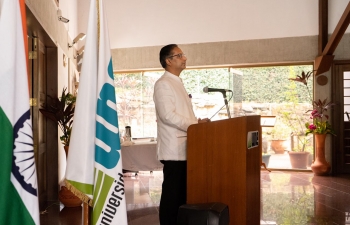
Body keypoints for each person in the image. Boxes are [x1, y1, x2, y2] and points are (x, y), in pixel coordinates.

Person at [153, 44, 210, 225]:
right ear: (168, 61)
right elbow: (167, 115)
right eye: (179, 55)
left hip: (186, 148)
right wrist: (195, 125)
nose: (184, 58)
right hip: (174, 150)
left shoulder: (177, 82)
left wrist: (197, 123)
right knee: (172, 196)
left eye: (183, 55)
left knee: (182, 196)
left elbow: (182, 115)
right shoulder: (163, 84)